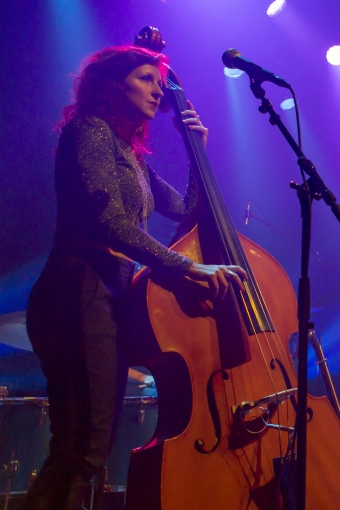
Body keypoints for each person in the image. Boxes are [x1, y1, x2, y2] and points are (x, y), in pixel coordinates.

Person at [23, 45, 247, 510]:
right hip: (79, 287)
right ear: (111, 86)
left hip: (112, 291)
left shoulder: (132, 157)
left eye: (159, 81)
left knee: (91, 447)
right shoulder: (88, 132)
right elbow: (109, 224)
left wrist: (196, 154)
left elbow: (185, 210)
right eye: (145, 78)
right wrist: (187, 267)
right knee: (80, 448)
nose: (158, 88)